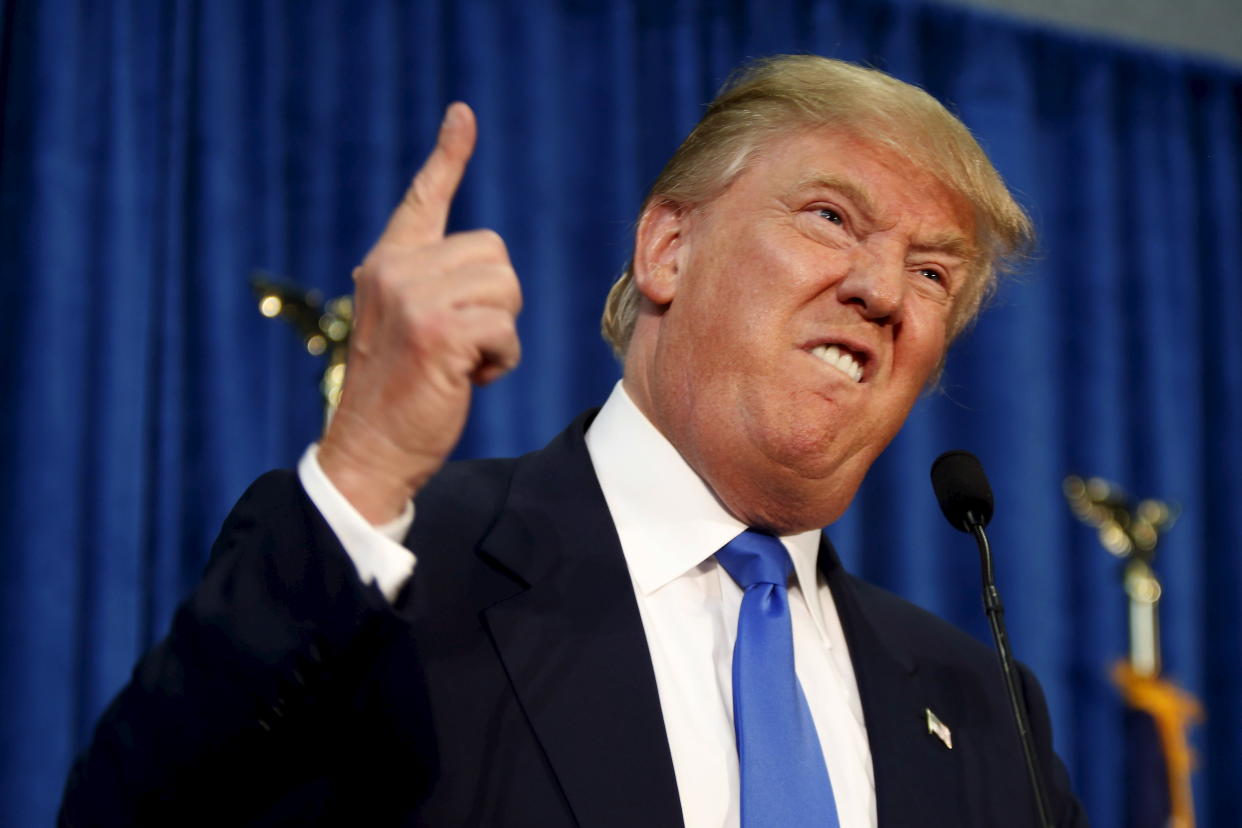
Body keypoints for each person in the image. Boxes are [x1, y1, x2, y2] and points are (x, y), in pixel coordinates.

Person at [61, 56, 1086, 827]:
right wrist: (364, 468)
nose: (881, 292)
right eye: (829, 216)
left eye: (935, 274)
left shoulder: (983, 705)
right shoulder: (400, 577)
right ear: (668, 250)